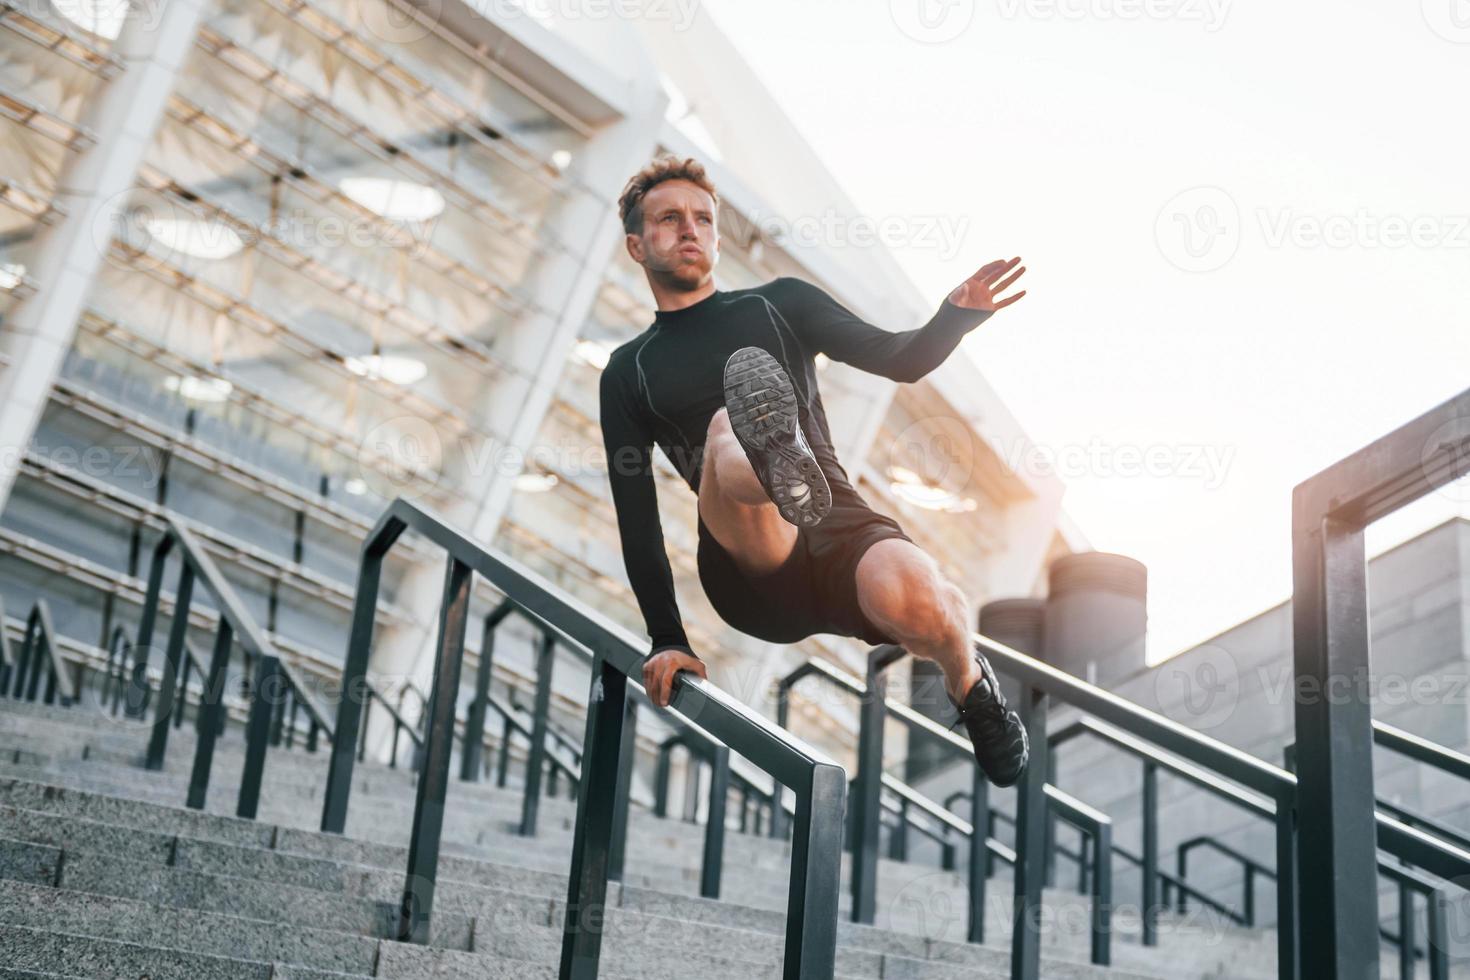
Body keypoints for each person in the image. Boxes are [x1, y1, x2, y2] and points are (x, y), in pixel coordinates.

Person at [599, 155, 1030, 786]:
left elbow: (900, 359)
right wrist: (667, 637)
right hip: (750, 561)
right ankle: (774, 465)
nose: (689, 230)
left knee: (919, 596)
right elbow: (634, 516)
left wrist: (954, 316)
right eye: (669, 219)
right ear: (638, 245)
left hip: (838, 524)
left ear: (717, 236)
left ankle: (969, 682)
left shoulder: (781, 304)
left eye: (702, 218)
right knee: (725, 429)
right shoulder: (628, 370)